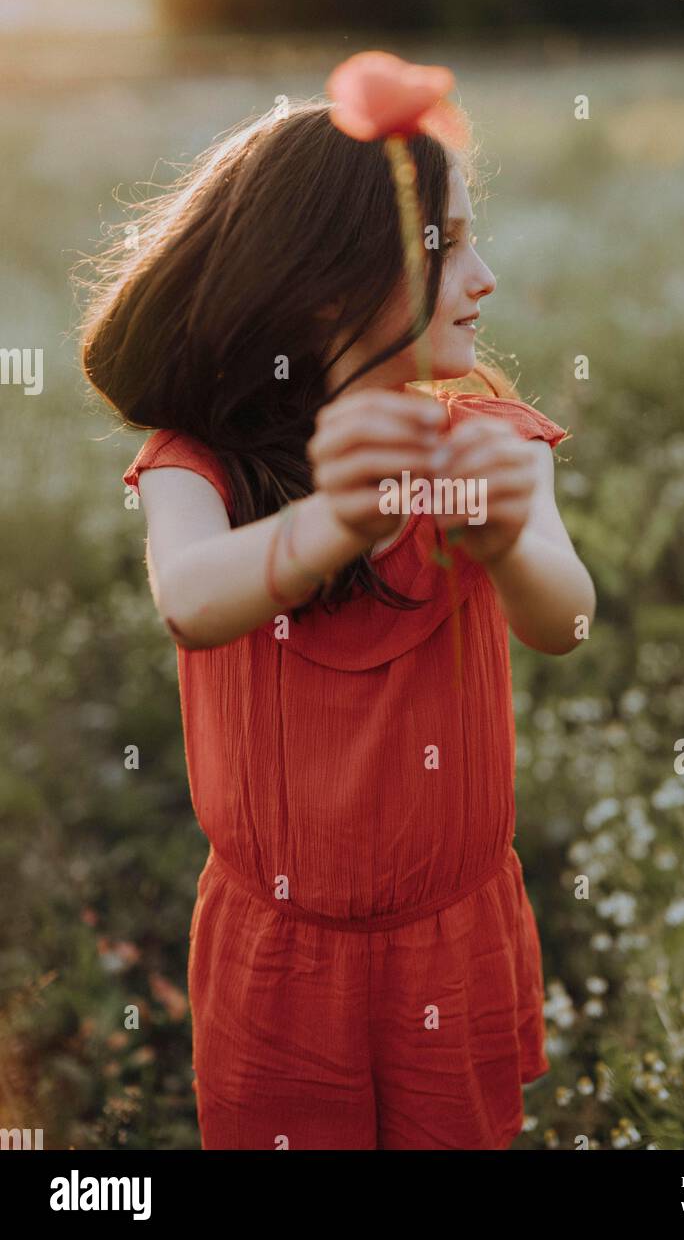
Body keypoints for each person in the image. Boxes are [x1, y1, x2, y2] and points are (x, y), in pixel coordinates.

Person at [79, 99, 596, 1149]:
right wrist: (335, 520)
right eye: (444, 249)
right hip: (280, 958)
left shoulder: (490, 442)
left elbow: (566, 617)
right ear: (324, 291)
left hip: (449, 935)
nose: (483, 275)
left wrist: (501, 542)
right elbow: (190, 600)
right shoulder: (202, 465)